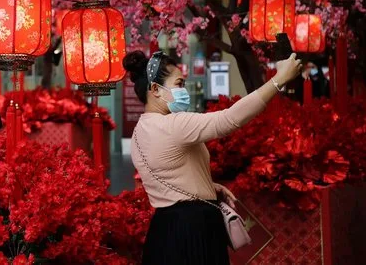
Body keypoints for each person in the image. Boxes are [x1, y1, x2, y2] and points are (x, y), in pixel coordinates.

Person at [123, 50, 302, 265]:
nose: (184, 90)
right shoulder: (174, 124)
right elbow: (229, 119)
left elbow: (167, 174)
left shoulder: (138, 132)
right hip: (193, 230)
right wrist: (278, 80)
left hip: (164, 231)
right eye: (179, 83)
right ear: (155, 90)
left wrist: (207, 186)